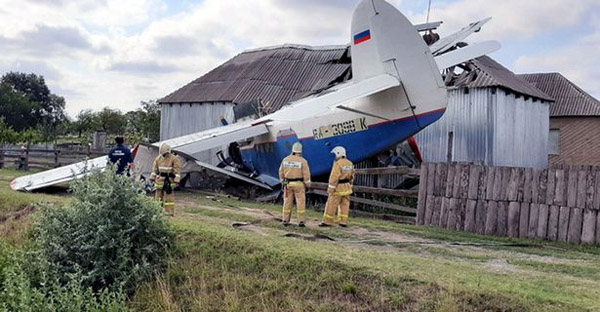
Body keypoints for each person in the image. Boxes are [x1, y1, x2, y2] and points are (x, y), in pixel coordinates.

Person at [320, 146, 355, 227]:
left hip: (338, 188)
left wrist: (330, 188)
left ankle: (327, 222)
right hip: (347, 187)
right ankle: (343, 222)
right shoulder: (350, 163)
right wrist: (351, 185)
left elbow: (334, 177)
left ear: (338, 154)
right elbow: (352, 176)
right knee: (345, 205)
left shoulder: (338, 164)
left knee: (331, 204)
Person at [279, 142, 311, 227]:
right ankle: (301, 221)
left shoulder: (285, 160)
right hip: (299, 185)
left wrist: (283, 183)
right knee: (300, 203)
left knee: (287, 202)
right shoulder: (303, 161)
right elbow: (306, 175)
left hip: (288, 184)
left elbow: (281, 173)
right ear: (300, 151)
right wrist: (308, 185)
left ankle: (285, 220)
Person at [149, 143, 182, 216]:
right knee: (158, 197)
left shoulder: (174, 159)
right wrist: (152, 177)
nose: (164, 155)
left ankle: (169, 212)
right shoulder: (158, 158)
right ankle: (157, 210)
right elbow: (155, 169)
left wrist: (176, 179)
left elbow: (177, 170)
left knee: (169, 197)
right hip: (160, 180)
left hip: (169, 180)